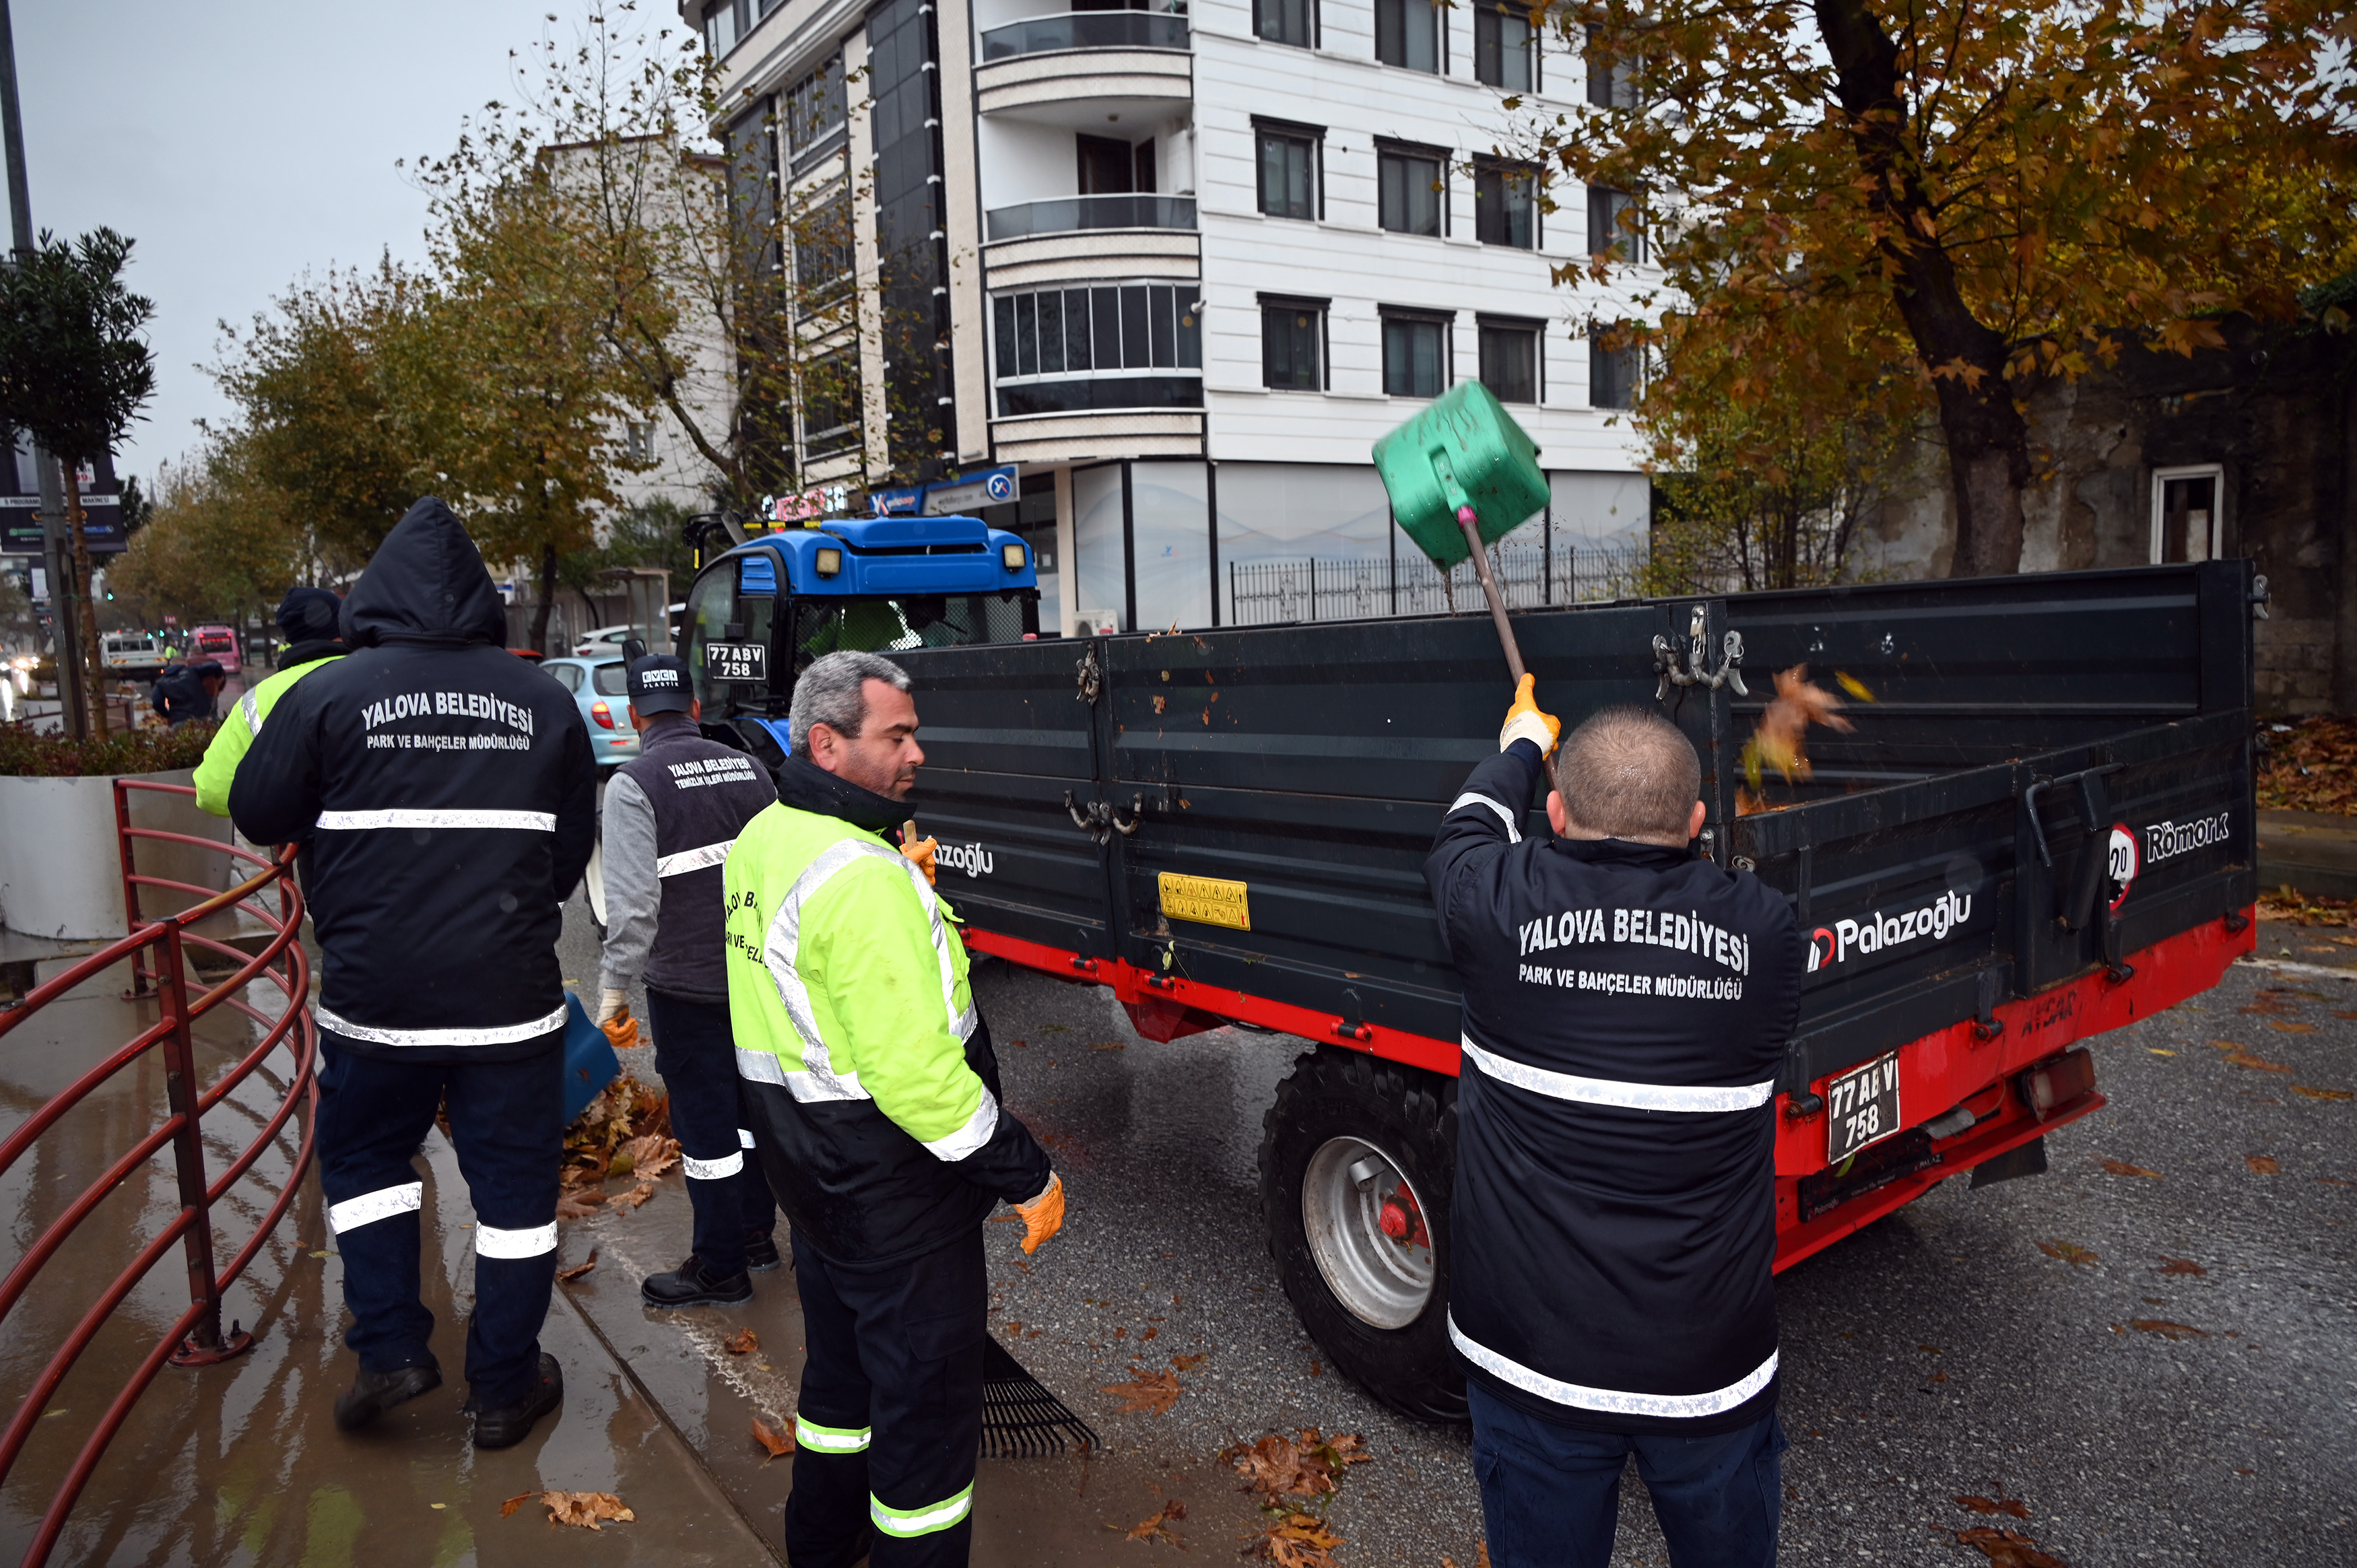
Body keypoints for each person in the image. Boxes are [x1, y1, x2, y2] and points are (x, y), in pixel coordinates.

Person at [232, 498, 595, 1450]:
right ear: (481, 603)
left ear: (375, 600)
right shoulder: (545, 700)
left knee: (363, 1164)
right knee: (515, 1196)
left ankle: (392, 1351)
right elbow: (568, 855)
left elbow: (261, 811)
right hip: (509, 1008)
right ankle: (507, 1387)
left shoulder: (324, 693)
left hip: (375, 1002)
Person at [1425, 681, 1801, 1568]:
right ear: (1699, 819)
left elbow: (1468, 827)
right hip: (1709, 1374)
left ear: (1554, 814)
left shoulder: (1494, 905)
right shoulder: (1769, 937)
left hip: (1531, 1365)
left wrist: (1521, 742)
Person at [725, 649, 1064, 1567]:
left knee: (841, 1395)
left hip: (818, 1185)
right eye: (898, 736)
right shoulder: (860, 875)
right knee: (925, 1443)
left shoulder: (768, 835)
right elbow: (916, 1074)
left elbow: (810, 1002)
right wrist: (1027, 1173)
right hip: (897, 1203)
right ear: (828, 744)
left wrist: (898, 878)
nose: (917, 751)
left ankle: (823, 1548)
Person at [594, 652, 783, 1307]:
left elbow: (634, 906)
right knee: (751, 1111)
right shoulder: (751, 767)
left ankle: (720, 1266)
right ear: (694, 707)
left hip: (687, 986)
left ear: (632, 714)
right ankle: (757, 1234)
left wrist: (614, 988)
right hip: (755, 977)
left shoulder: (632, 784)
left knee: (705, 1133)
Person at [193, 586, 346, 816]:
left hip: (315, 847)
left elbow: (211, 791)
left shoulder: (258, 699)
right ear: (342, 623)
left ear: (289, 636)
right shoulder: (380, 676)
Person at [151, 658, 225, 727]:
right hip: (202, 717)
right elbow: (216, 666)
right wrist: (218, 677)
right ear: (185, 664)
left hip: (179, 720)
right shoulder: (192, 671)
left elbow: (157, 702)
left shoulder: (160, 683)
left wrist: (168, 716)